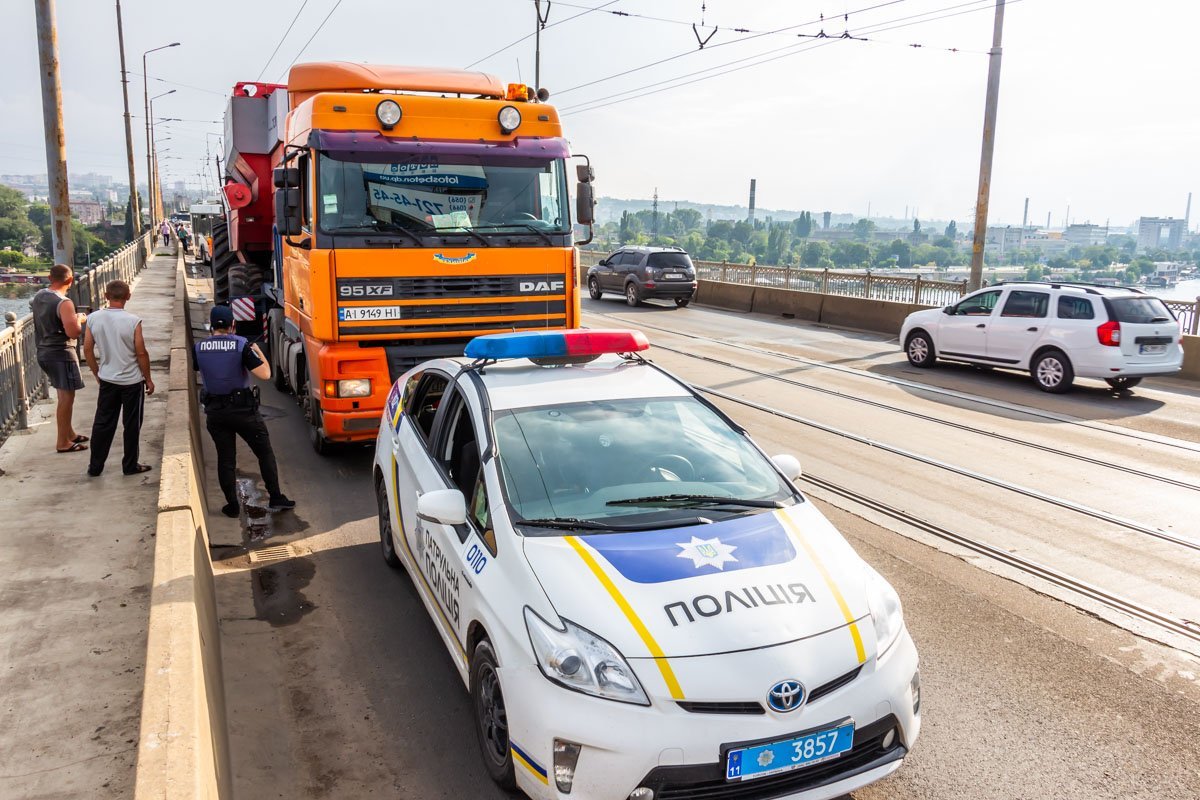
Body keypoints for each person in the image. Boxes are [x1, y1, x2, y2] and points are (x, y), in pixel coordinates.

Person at [193, 305, 294, 518]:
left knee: (226, 459)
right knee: (264, 452)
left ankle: (232, 506)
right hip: (244, 412)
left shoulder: (199, 347)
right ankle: (275, 497)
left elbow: (195, 367)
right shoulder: (241, 346)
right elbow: (265, 374)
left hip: (216, 413)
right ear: (232, 325)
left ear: (212, 326)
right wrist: (259, 353)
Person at [83, 280, 155, 476]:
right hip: (132, 382)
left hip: (107, 380)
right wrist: (148, 379)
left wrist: (96, 372)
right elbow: (141, 353)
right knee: (131, 425)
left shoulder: (93, 318)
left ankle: (95, 467)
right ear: (128, 296)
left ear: (106, 296)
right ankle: (130, 465)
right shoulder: (133, 321)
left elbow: (87, 349)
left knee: (103, 423)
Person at [29, 264, 88, 453]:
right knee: (66, 398)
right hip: (62, 353)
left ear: (49, 277)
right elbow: (73, 332)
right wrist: (79, 319)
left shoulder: (39, 297)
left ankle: (69, 433)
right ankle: (63, 442)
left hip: (44, 352)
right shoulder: (64, 302)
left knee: (63, 395)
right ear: (70, 281)